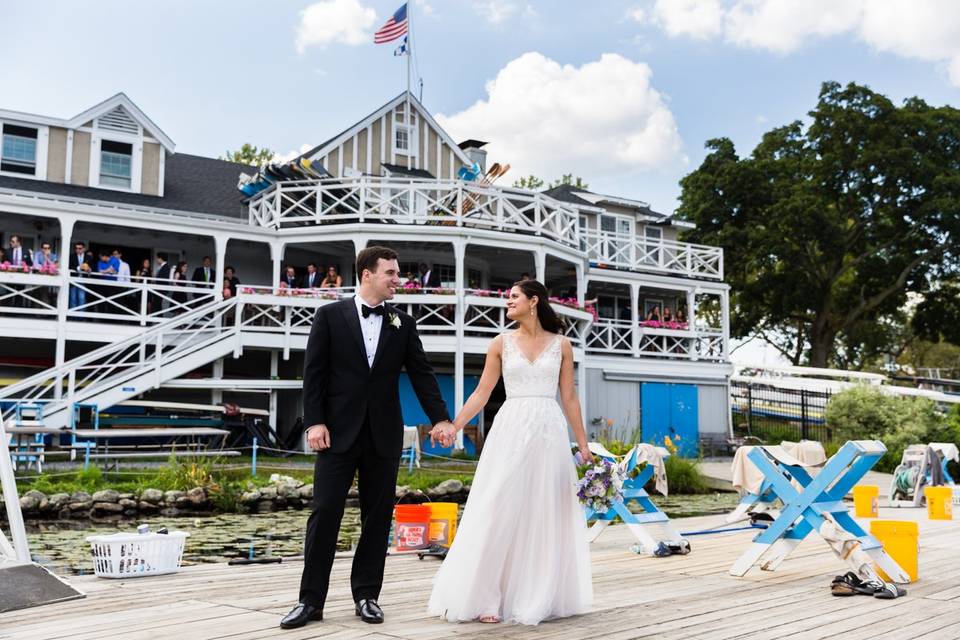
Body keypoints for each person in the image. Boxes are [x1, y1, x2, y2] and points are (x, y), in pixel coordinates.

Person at [281, 246, 454, 630]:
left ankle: (367, 596)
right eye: (391, 273)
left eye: (398, 274)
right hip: (336, 433)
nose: (398, 280)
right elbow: (315, 376)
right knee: (325, 514)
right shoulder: (329, 316)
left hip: (383, 434)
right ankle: (310, 601)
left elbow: (422, 375)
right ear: (367, 275)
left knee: (376, 520)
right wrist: (315, 422)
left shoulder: (403, 324)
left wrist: (440, 418)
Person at [427, 279, 594, 625]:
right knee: (497, 505)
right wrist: (454, 426)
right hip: (511, 427)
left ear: (533, 301)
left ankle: (537, 593)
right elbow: (482, 393)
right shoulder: (500, 343)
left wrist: (583, 445)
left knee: (544, 511)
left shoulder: (562, 345)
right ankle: (486, 597)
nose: (508, 303)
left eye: (514, 297)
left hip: (549, 429)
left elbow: (570, 398)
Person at [69, 242, 93, 310]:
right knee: (73, 298)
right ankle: (72, 316)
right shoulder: (72, 256)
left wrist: (89, 269)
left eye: (80, 248)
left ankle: (81, 317)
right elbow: (69, 266)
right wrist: (79, 267)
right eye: (76, 248)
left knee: (82, 298)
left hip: (83, 280)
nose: (78, 250)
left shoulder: (88, 257)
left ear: (84, 249)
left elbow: (93, 267)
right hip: (73, 279)